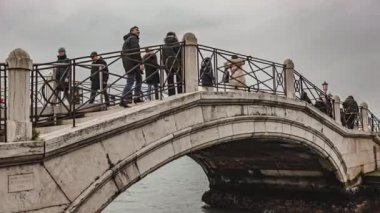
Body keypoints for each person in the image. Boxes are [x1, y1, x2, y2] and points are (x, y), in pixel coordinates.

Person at [120, 26, 143, 107]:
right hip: (132, 63)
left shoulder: (128, 39)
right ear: (132, 31)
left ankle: (136, 96)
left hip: (129, 63)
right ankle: (123, 99)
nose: (138, 31)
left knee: (139, 79)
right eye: (136, 30)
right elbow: (136, 52)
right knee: (130, 81)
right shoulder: (133, 38)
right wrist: (141, 63)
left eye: (138, 30)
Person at [162, 32, 182, 96]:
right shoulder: (177, 44)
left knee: (170, 80)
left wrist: (165, 64)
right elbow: (181, 54)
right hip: (177, 64)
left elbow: (163, 57)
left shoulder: (164, 46)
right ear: (174, 36)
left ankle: (171, 94)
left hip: (168, 64)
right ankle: (180, 93)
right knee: (179, 80)